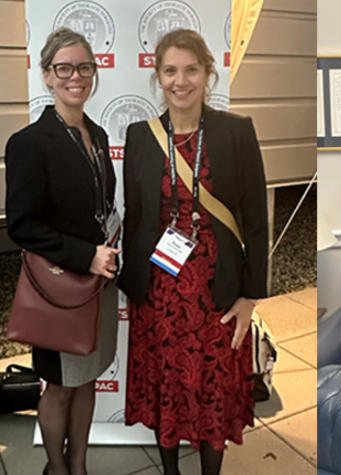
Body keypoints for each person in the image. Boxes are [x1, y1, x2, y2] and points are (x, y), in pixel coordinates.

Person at [118, 29, 268, 475]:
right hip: (160, 290)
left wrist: (250, 295)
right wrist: (133, 286)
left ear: (208, 74)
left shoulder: (236, 132)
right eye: (170, 71)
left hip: (216, 290)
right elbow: (137, 218)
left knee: (213, 391)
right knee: (166, 386)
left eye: (191, 70)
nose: (180, 81)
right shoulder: (141, 136)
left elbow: (257, 221)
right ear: (158, 77)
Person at [4, 28, 119, 475]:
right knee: (59, 386)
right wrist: (84, 254)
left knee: (86, 379)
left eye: (84, 67)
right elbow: (22, 226)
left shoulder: (99, 134)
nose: (76, 76)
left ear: (94, 72)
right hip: (58, 289)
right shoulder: (29, 143)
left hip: (98, 284)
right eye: (64, 68)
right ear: (47, 76)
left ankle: (80, 466)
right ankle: (57, 467)